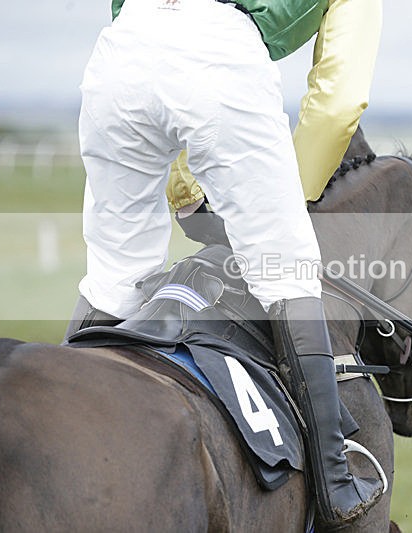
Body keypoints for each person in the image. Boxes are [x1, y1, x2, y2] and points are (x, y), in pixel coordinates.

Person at [66, 0, 383, 527]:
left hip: (121, 49)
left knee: (114, 275)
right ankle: (336, 485)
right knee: (288, 270)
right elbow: (338, 104)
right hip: (221, 53)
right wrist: (283, 206)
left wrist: (188, 197)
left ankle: (61, 426)